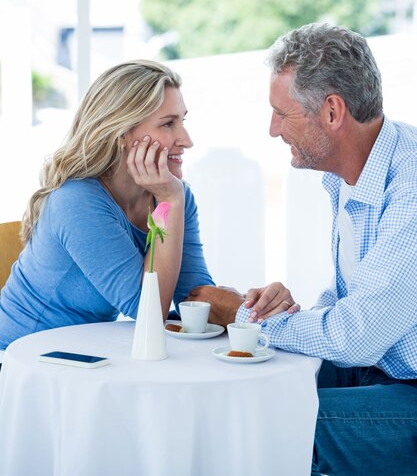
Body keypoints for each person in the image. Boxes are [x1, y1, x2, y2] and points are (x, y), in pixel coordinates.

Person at [187, 23, 417, 476]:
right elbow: (355, 300)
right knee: (239, 384)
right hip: (378, 367)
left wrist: (244, 314)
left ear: (332, 111)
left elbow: (359, 335)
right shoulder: (348, 174)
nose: (272, 130)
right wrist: (290, 311)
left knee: (272, 424)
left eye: (282, 114)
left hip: (405, 384)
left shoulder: (410, 186)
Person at [0, 59, 291, 365]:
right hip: (19, 362)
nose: (187, 140)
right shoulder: (76, 201)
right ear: (122, 133)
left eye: (183, 121)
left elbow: (193, 299)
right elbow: (148, 312)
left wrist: (250, 307)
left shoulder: (175, 193)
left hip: (84, 359)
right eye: (168, 124)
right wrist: (169, 201)